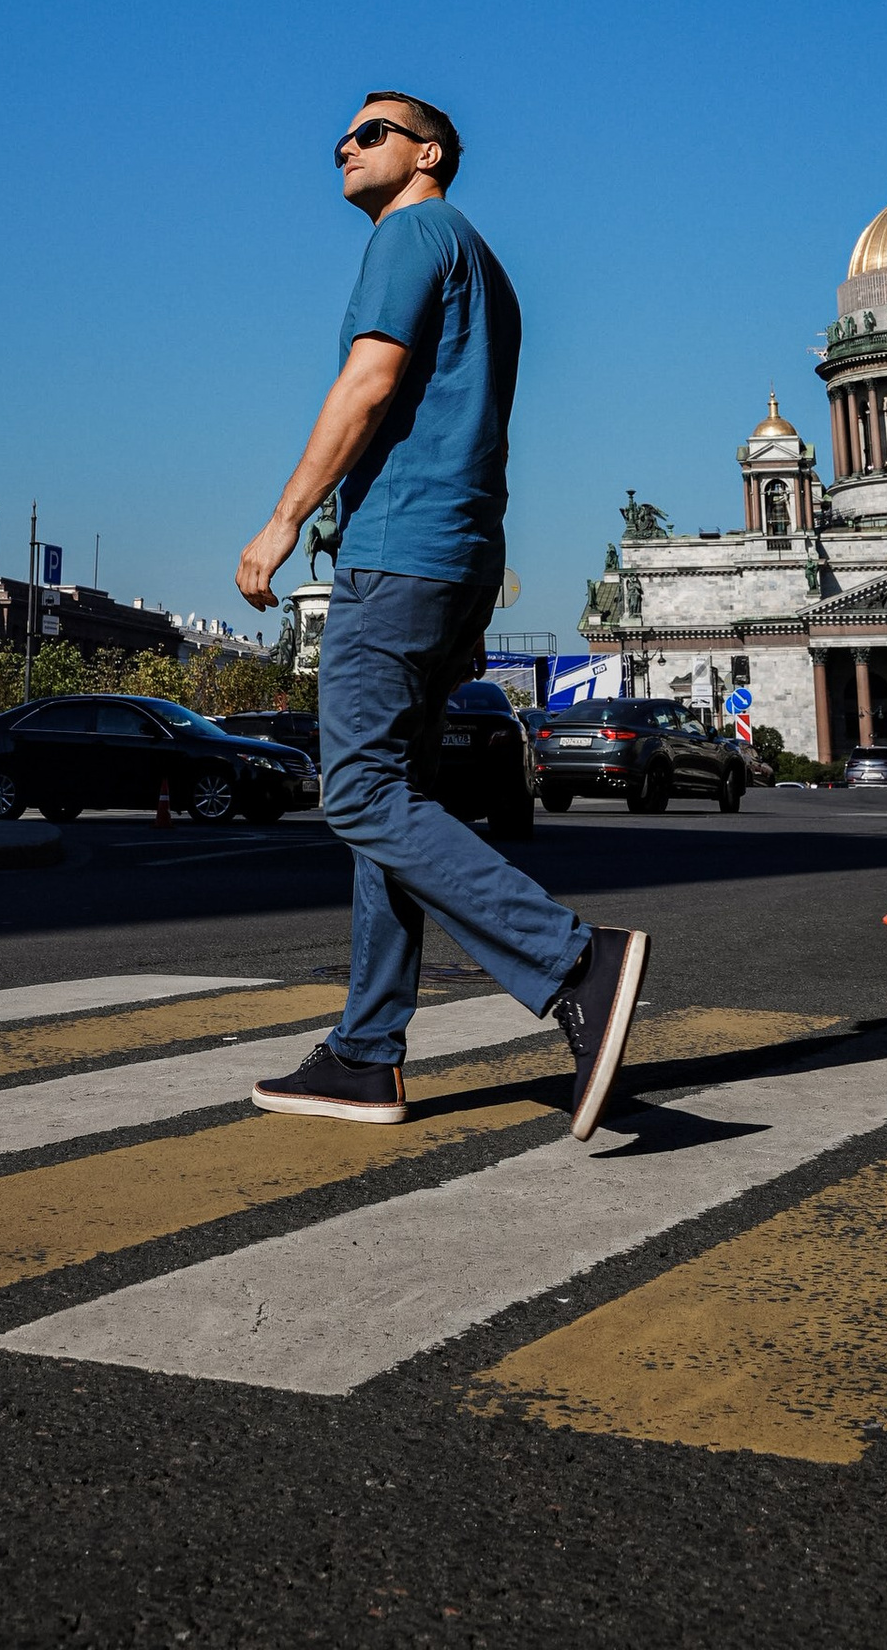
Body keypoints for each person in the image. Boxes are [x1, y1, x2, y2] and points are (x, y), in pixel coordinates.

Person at [236, 91, 647, 1138]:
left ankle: (573, 964)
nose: (343, 142)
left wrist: (281, 522)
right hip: (454, 557)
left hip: (396, 552)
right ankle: (365, 1056)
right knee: (397, 808)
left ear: (428, 153)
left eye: (369, 131)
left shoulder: (409, 233)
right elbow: (484, 438)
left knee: (361, 795)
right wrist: (475, 593)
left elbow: (368, 386)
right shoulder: (482, 264)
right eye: (340, 132)